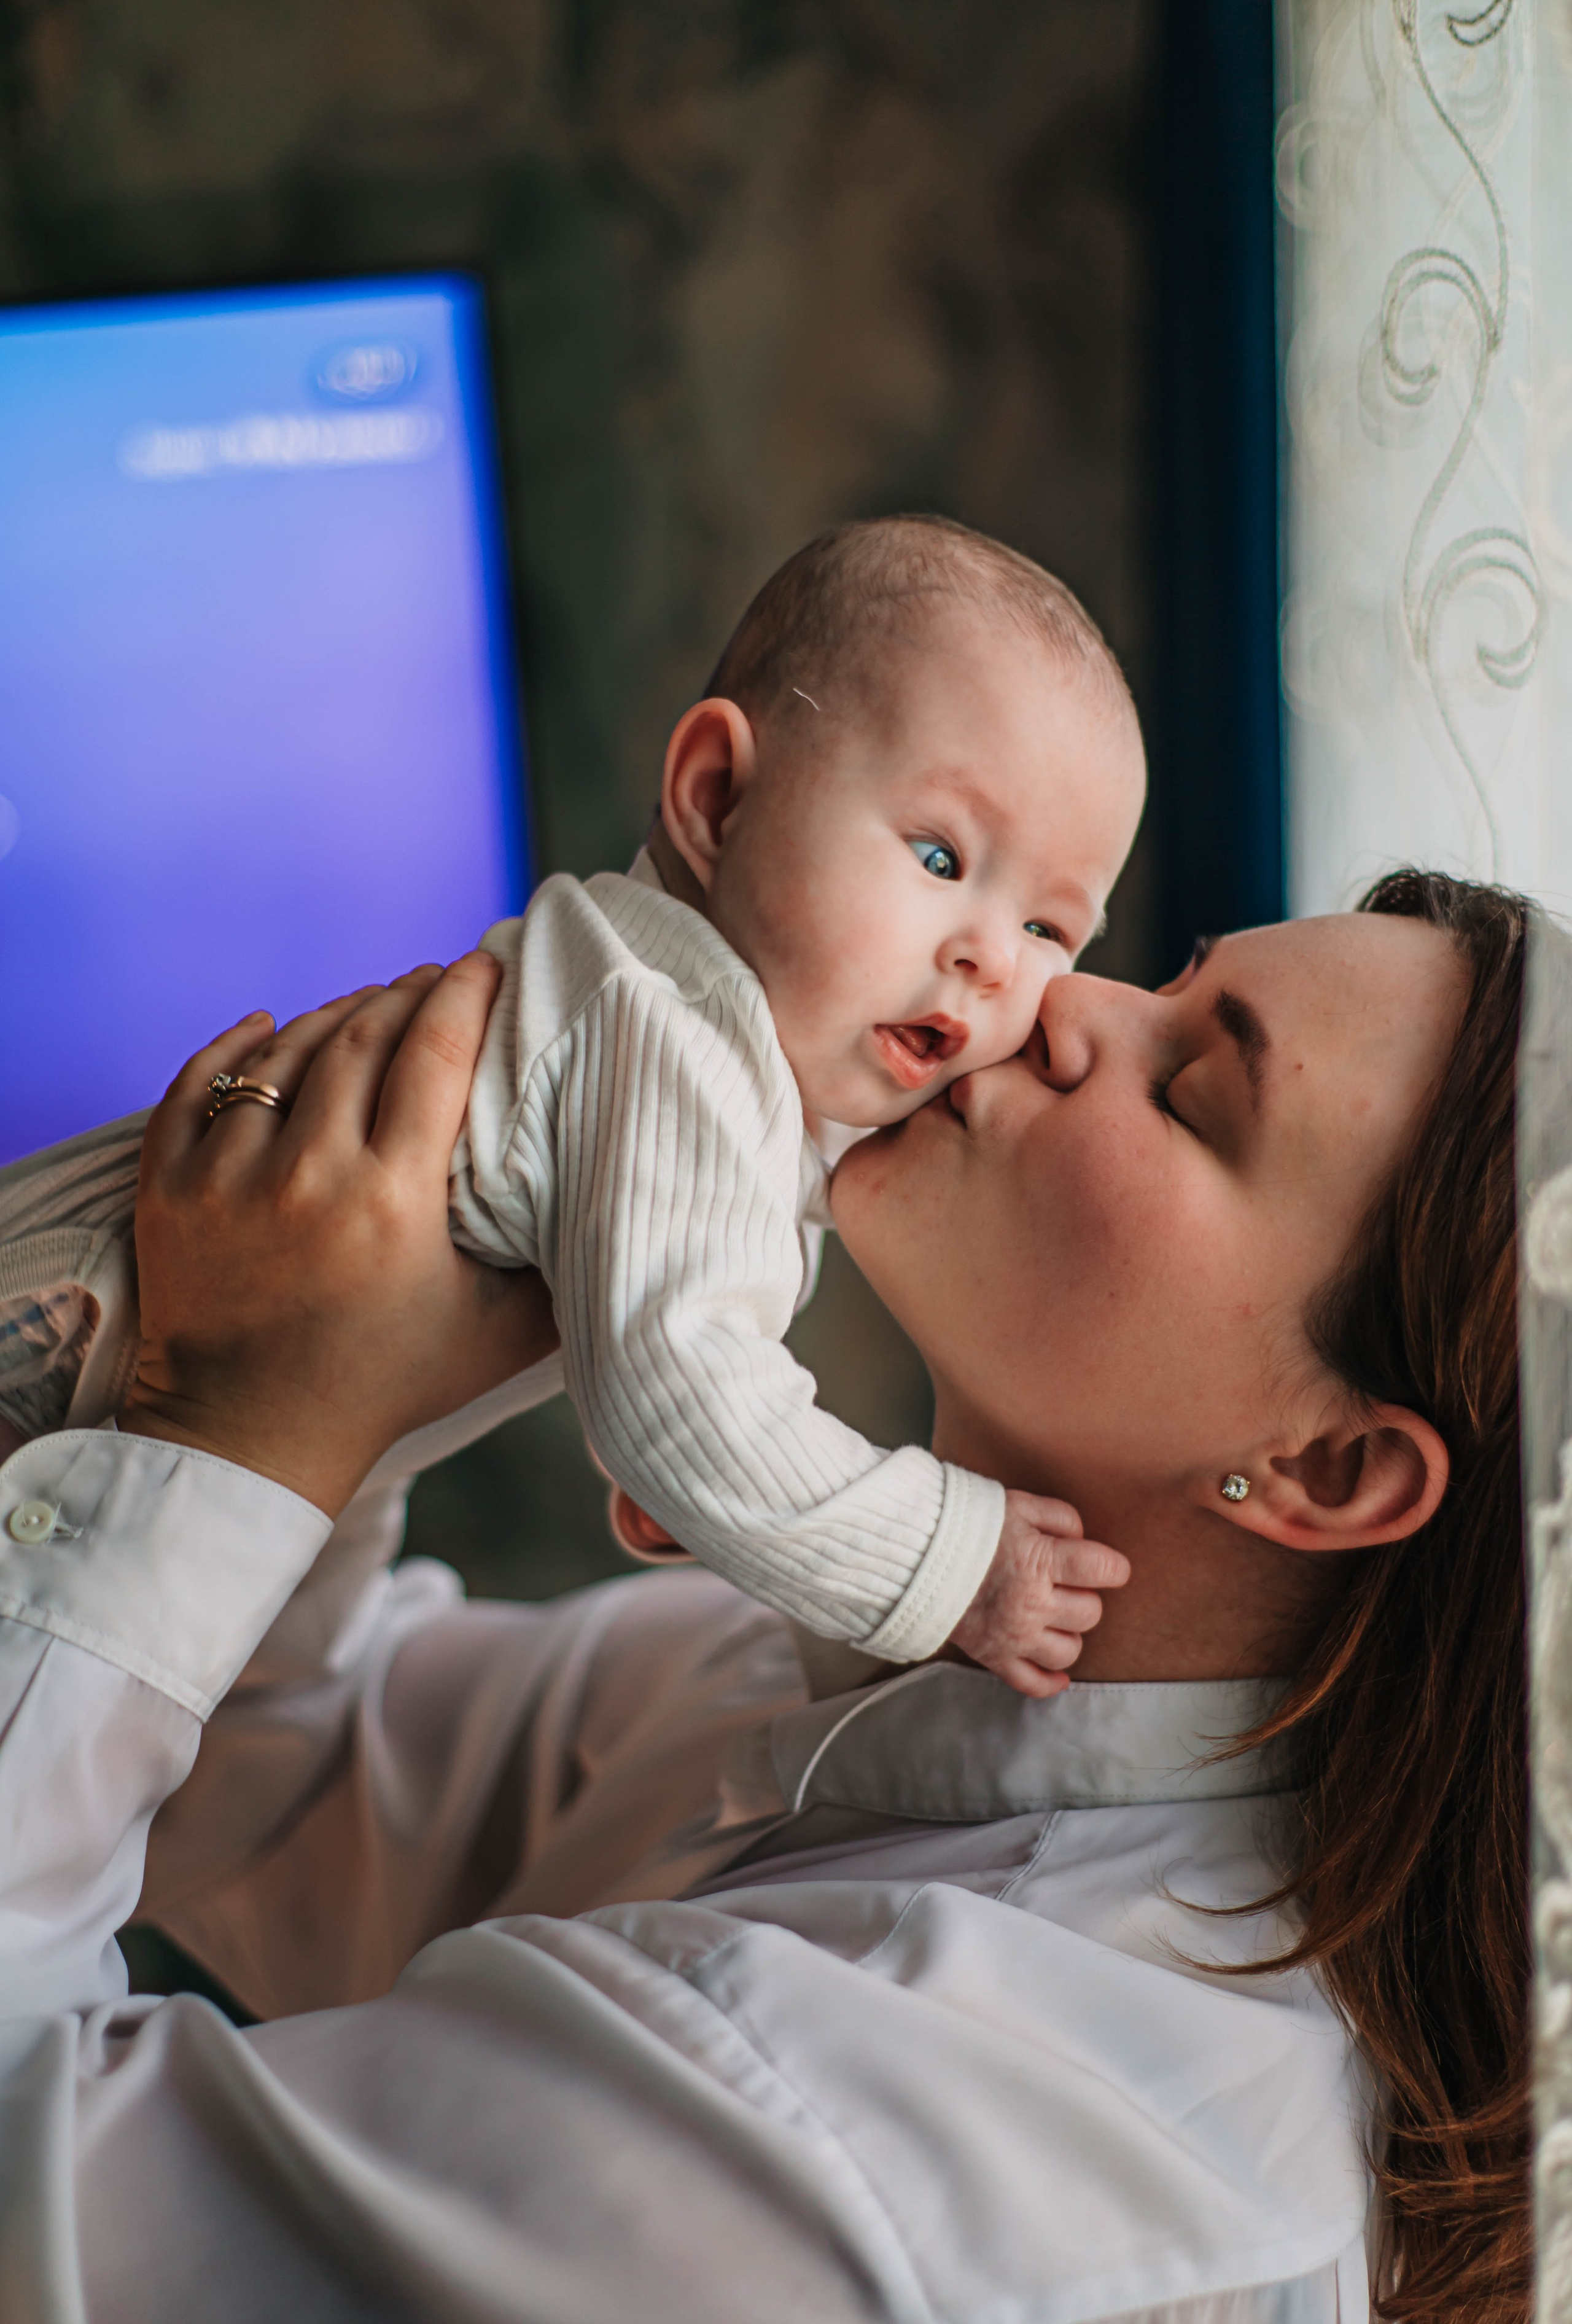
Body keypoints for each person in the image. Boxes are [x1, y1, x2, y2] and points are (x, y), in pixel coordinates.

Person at [0, 873, 1528, 2324]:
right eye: (1174, 974)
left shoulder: (883, 2148)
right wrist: (434, 1276)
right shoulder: (849, 1687)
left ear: (1325, 1470)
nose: (1064, 1001)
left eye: (1190, 1090)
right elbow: (285, 1775)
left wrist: (234, 1437)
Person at [0, 516, 1145, 1698]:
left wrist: (699, 1464)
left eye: (1049, 926)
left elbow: (665, 1366)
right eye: (941, 858)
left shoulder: (712, 1054)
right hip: (52, 1342)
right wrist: (949, 1565)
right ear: (717, 797)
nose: (992, 959)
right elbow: (681, 1396)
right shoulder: (673, 1032)